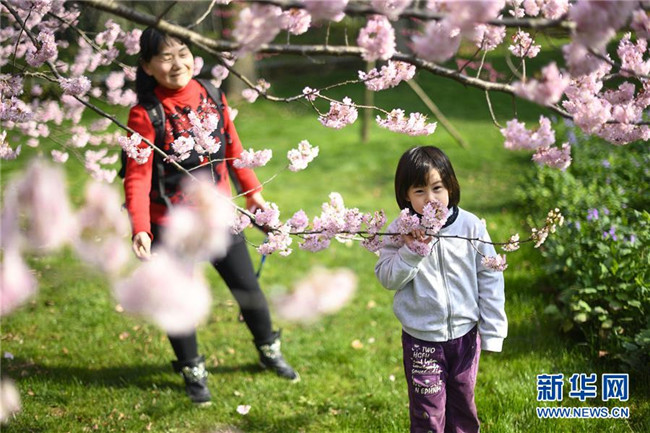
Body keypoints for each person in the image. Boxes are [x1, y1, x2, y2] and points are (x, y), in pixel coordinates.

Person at [123, 27, 298, 406]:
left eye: (182, 53)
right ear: (147, 66)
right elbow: (137, 176)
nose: (177, 64)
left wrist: (253, 195)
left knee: (248, 289)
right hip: (171, 226)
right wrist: (141, 228)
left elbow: (234, 149)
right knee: (177, 300)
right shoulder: (145, 114)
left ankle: (269, 350)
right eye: (165, 57)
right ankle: (192, 371)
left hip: (219, 218)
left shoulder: (211, 94)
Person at [374, 146, 507, 432]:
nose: (431, 199)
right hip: (422, 340)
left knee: (462, 407)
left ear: (451, 186)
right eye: (419, 191)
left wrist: (493, 330)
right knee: (428, 415)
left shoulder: (470, 226)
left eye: (437, 188)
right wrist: (411, 251)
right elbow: (387, 278)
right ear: (405, 195)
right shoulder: (400, 231)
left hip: (465, 337)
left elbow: (490, 277)